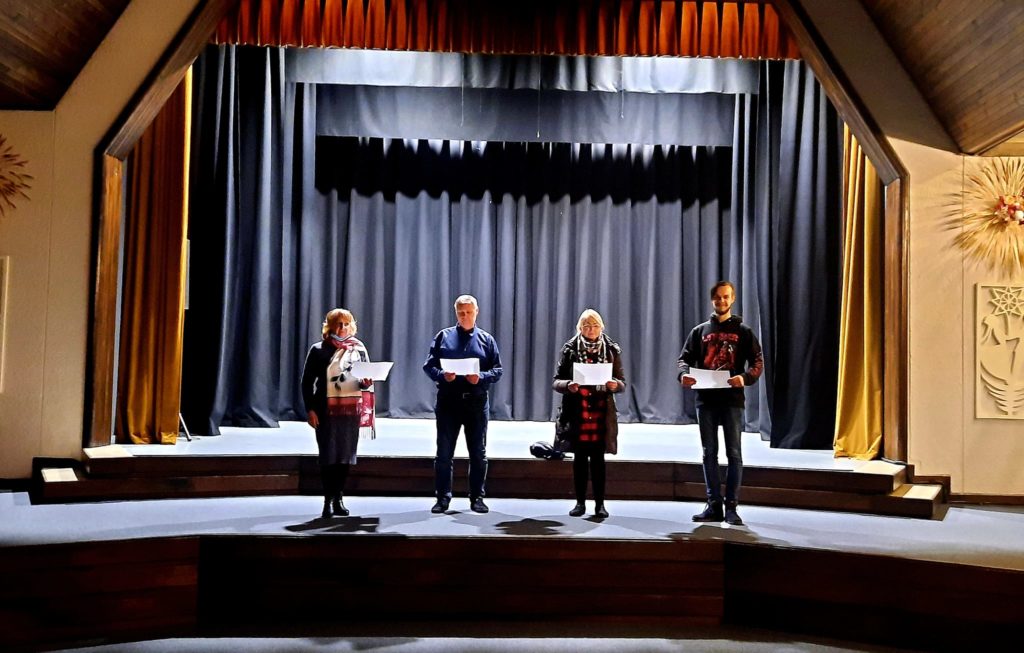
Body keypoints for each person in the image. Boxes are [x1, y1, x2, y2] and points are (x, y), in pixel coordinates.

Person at [677, 281, 763, 526]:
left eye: (726, 297)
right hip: (706, 400)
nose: (721, 301)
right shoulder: (700, 331)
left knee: (734, 453)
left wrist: (744, 378)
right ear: (712, 299)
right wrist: (684, 375)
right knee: (709, 453)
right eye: (717, 297)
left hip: (732, 401)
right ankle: (713, 504)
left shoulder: (743, 331)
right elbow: (683, 360)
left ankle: (732, 506)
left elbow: (757, 362)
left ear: (732, 299)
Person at [423, 295, 503, 514]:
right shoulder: (443, 336)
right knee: (444, 453)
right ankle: (442, 498)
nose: (465, 316)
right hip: (448, 401)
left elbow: (497, 370)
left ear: (476, 312)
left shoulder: (486, 339)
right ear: (456, 313)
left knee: (478, 452)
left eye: (468, 312)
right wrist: (442, 375)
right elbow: (428, 366)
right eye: (461, 312)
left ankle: (477, 497)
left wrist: (481, 377)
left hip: (476, 402)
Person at [301, 308, 375, 519]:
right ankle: (327, 500)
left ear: (352, 326)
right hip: (325, 410)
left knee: (344, 457)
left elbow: (363, 382)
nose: (342, 328)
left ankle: (338, 498)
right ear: (330, 326)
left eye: (346, 324)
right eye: (338, 324)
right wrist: (310, 409)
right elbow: (307, 382)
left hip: (350, 411)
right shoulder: (318, 349)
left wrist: (366, 382)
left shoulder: (358, 349)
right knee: (328, 456)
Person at [552, 309, 626, 519]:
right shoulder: (570, 349)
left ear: (601, 328)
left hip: (601, 412)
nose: (591, 330)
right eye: (586, 326)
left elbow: (622, 382)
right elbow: (556, 381)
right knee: (580, 460)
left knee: (598, 461)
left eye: (594, 326)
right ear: (580, 328)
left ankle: (600, 504)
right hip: (578, 412)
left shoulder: (611, 349)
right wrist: (568, 385)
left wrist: (615, 385)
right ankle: (580, 503)